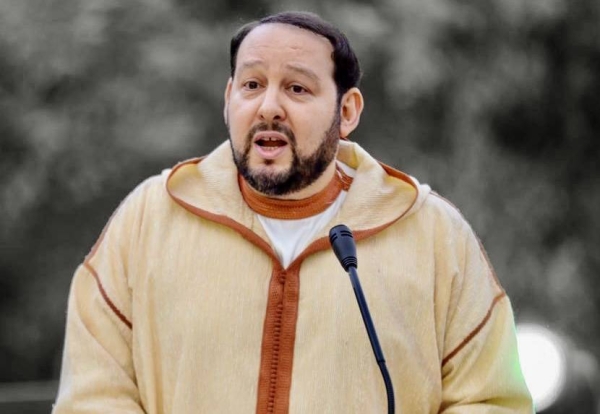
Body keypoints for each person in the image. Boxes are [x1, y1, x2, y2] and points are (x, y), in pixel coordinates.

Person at [52, 11, 534, 414]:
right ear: (228, 100)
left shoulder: (432, 235)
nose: (269, 107)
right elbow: (93, 397)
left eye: (297, 89)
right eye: (252, 85)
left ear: (347, 112)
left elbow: (490, 401)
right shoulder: (149, 220)